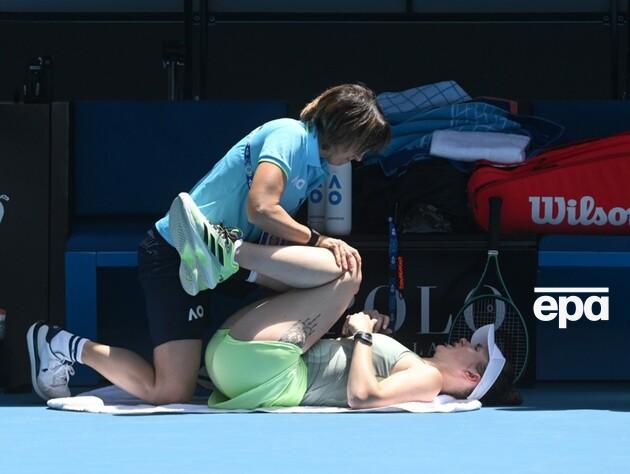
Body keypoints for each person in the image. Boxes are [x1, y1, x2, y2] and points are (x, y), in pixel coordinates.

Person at [27, 84, 391, 404]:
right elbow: (261, 207)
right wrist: (320, 240)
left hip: (224, 263)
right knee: (169, 392)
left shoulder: (317, 168)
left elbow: (270, 230)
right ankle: (62, 345)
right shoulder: (290, 135)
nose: (359, 158)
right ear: (346, 131)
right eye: (361, 147)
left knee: (333, 273)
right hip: (178, 253)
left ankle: (228, 265)